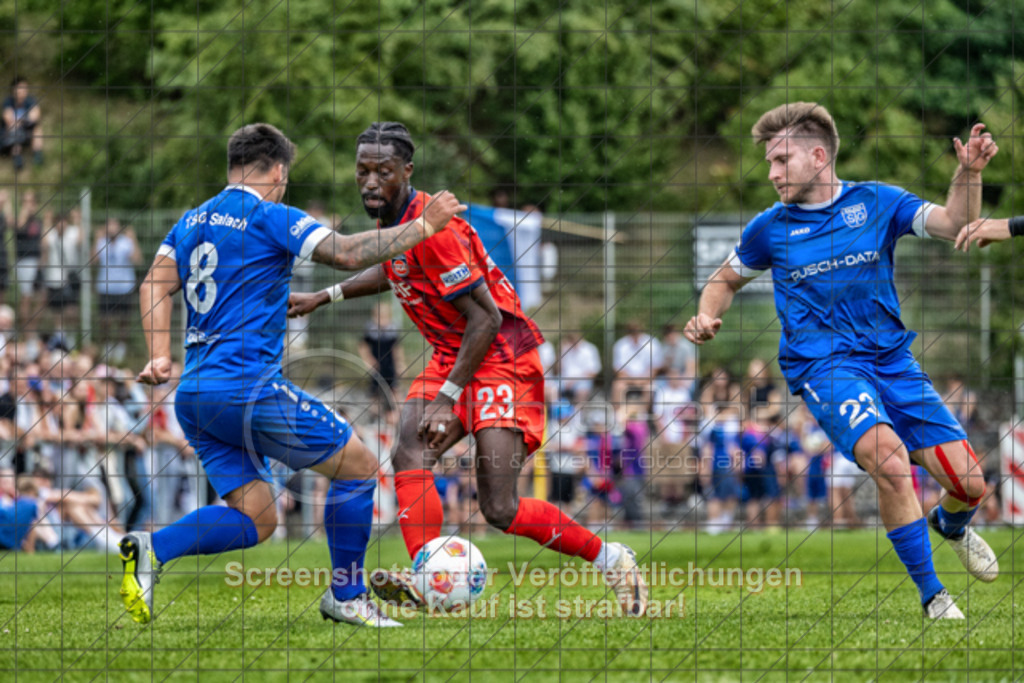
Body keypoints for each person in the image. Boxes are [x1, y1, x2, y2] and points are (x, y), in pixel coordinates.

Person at [288, 121, 648, 616]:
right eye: (363, 171)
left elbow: (488, 316)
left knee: (499, 508)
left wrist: (447, 395)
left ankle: (610, 558)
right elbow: (394, 267)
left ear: (407, 172)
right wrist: (324, 296)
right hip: (453, 352)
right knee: (410, 452)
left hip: (502, 357)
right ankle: (424, 575)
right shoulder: (403, 220)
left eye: (383, 172)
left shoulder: (439, 233)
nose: (370, 182)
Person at [120, 122, 465, 628]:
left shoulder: (190, 222)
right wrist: (423, 227)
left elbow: (154, 284)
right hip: (246, 387)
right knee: (359, 468)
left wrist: (158, 355)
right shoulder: (270, 215)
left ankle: (153, 547)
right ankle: (346, 596)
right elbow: (347, 252)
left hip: (194, 394)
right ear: (278, 171)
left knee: (257, 517)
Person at [684, 102, 999, 619]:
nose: (772, 172)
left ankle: (952, 524)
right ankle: (934, 597)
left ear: (818, 155)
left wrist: (968, 174)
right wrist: (705, 314)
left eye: (782, 160)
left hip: (893, 362)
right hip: (825, 368)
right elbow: (723, 280)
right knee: (891, 463)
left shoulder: (877, 202)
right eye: (768, 162)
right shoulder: (770, 228)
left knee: (970, 484)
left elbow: (955, 224)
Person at [94, 218, 142, 362]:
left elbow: (138, 259)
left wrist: (133, 240)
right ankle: (107, 346)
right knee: (105, 320)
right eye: (109, 225)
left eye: (115, 225)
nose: (112, 228)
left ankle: (121, 347)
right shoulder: (102, 242)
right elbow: (93, 260)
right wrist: (96, 239)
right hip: (106, 287)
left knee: (124, 320)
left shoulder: (126, 242)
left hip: (124, 287)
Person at [1, 77, 43, 170]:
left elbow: (36, 115)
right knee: (13, 129)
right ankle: (17, 158)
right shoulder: (8, 102)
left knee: (37, 128)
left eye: (25, 88)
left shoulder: (30, 100)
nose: (23, 91)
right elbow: (8, 119)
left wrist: (19, 121)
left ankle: (37, 155)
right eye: (20, 88)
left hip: (25, 131)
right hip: (9, 136)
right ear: (13, 90)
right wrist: (25, 120)